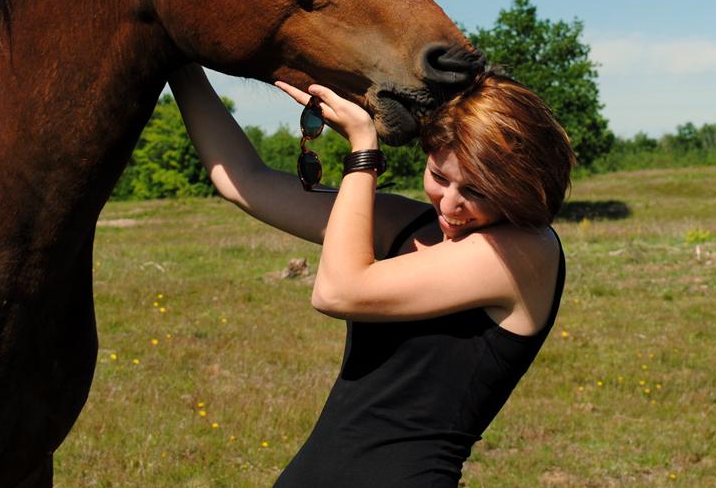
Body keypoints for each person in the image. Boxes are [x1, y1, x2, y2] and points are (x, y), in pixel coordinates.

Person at [168, 63, 575, 487]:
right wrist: (178, 65)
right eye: (439, 177)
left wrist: (363, 150)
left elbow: (338, 291)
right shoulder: (412, 223)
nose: (450, 204)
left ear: (520, 187)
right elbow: (246, 182)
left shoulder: (526, 252)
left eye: (477, 191)